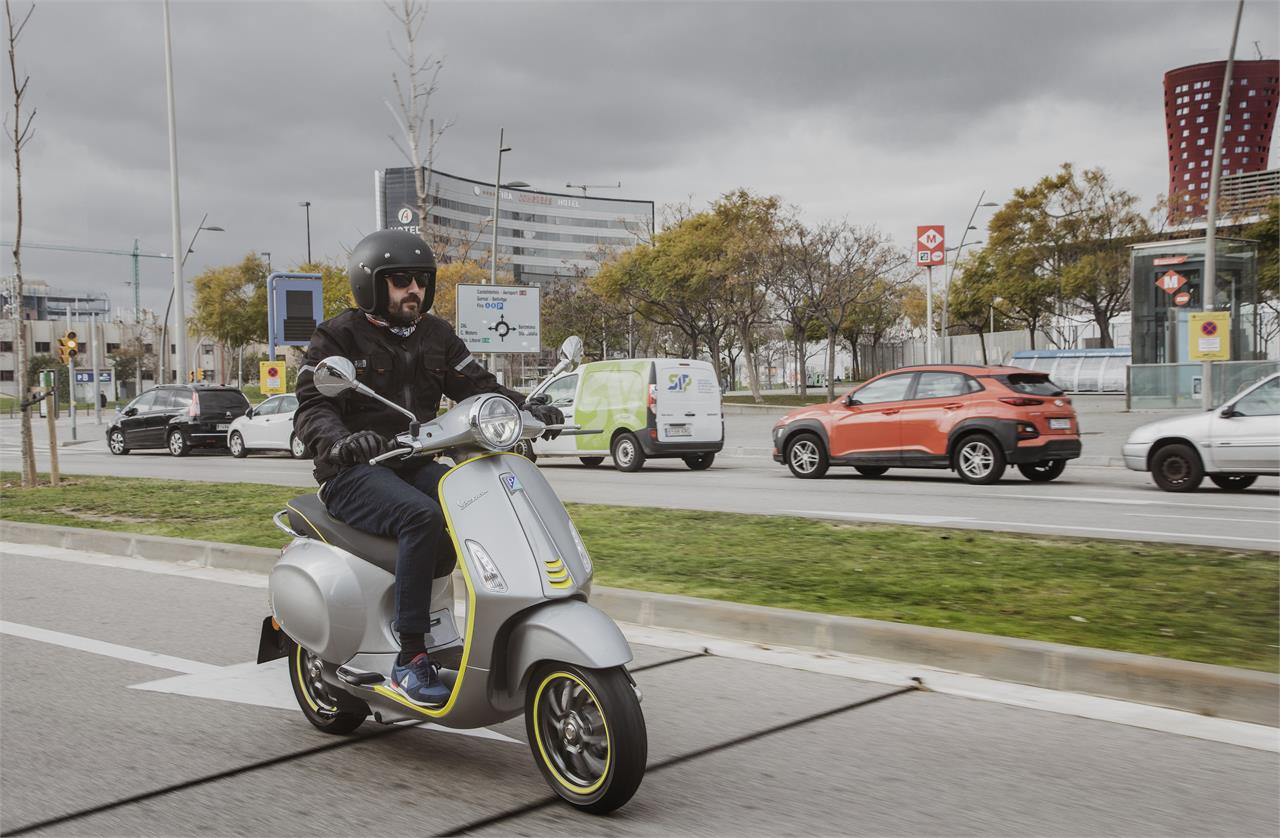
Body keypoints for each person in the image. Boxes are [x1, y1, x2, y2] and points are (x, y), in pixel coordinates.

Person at [294, 229, 563, 706]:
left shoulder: (436, 335)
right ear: (371, 285)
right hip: (353, 472)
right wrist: (342, 443)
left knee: (480, 499)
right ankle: (409, 660)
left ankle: (487, 629)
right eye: (400, 281)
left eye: (420, 280)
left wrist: (529, 411)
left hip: (412, 462)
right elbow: (312, 407)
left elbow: (478, 385)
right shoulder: (335, 336)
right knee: (423, 517)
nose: (413, 290)